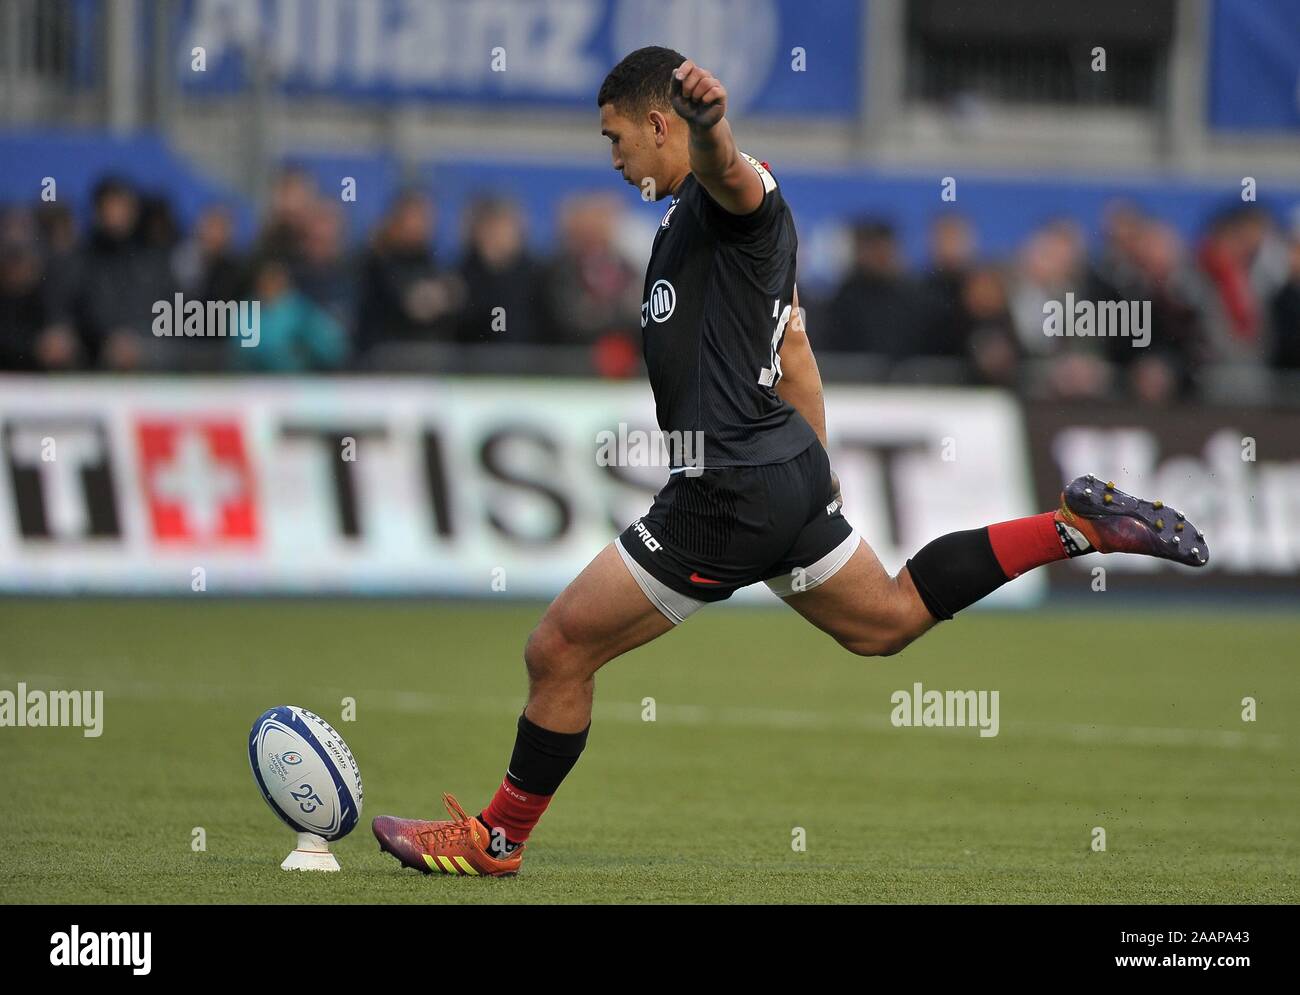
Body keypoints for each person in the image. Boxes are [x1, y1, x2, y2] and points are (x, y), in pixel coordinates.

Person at [373, 47, 1210, 877]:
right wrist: (817, 464)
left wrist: (712, 127)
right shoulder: (683, 227)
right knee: (885, 620)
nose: (615, 157)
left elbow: (730, 170)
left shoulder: (729, 196)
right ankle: (1070, 528)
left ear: (660, 122)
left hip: (727, 487)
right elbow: (797, 346)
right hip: (779, 469)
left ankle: (498, 839)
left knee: (557, 648)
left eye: (616, 137)